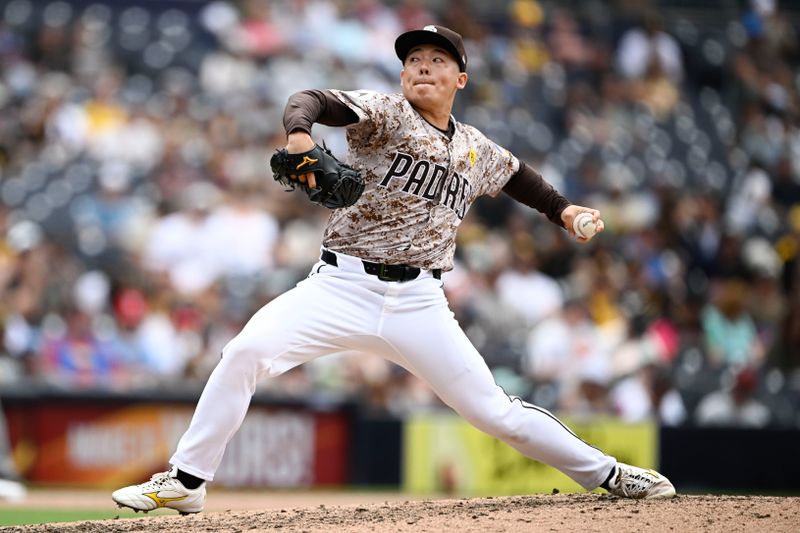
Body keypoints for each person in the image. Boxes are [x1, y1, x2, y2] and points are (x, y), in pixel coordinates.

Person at [112, 25, 675, 514]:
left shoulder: (475, 149)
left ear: (461, 79)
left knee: (496, 413)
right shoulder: (385, 114)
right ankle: (187, 480)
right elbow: (309, 98)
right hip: (340, 285)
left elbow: (519, 176)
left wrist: (564, 209)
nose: (421, 67)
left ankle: (607, 474)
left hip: (420, 305)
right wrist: (300, 134)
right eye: (412, 60)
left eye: (437, 61)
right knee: (244, 353)